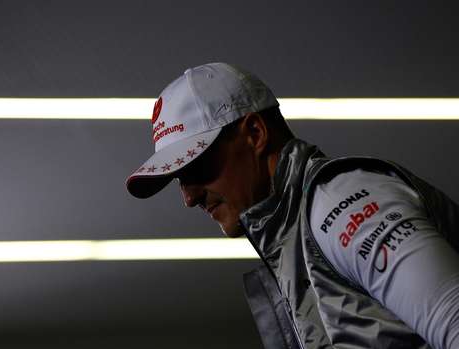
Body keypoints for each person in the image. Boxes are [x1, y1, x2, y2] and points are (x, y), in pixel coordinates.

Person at [125, 62, 459, 349]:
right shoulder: (295, 241)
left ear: (255, 133)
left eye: (195, 168)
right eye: (179, 180)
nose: (189, 197)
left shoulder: (339, 202)